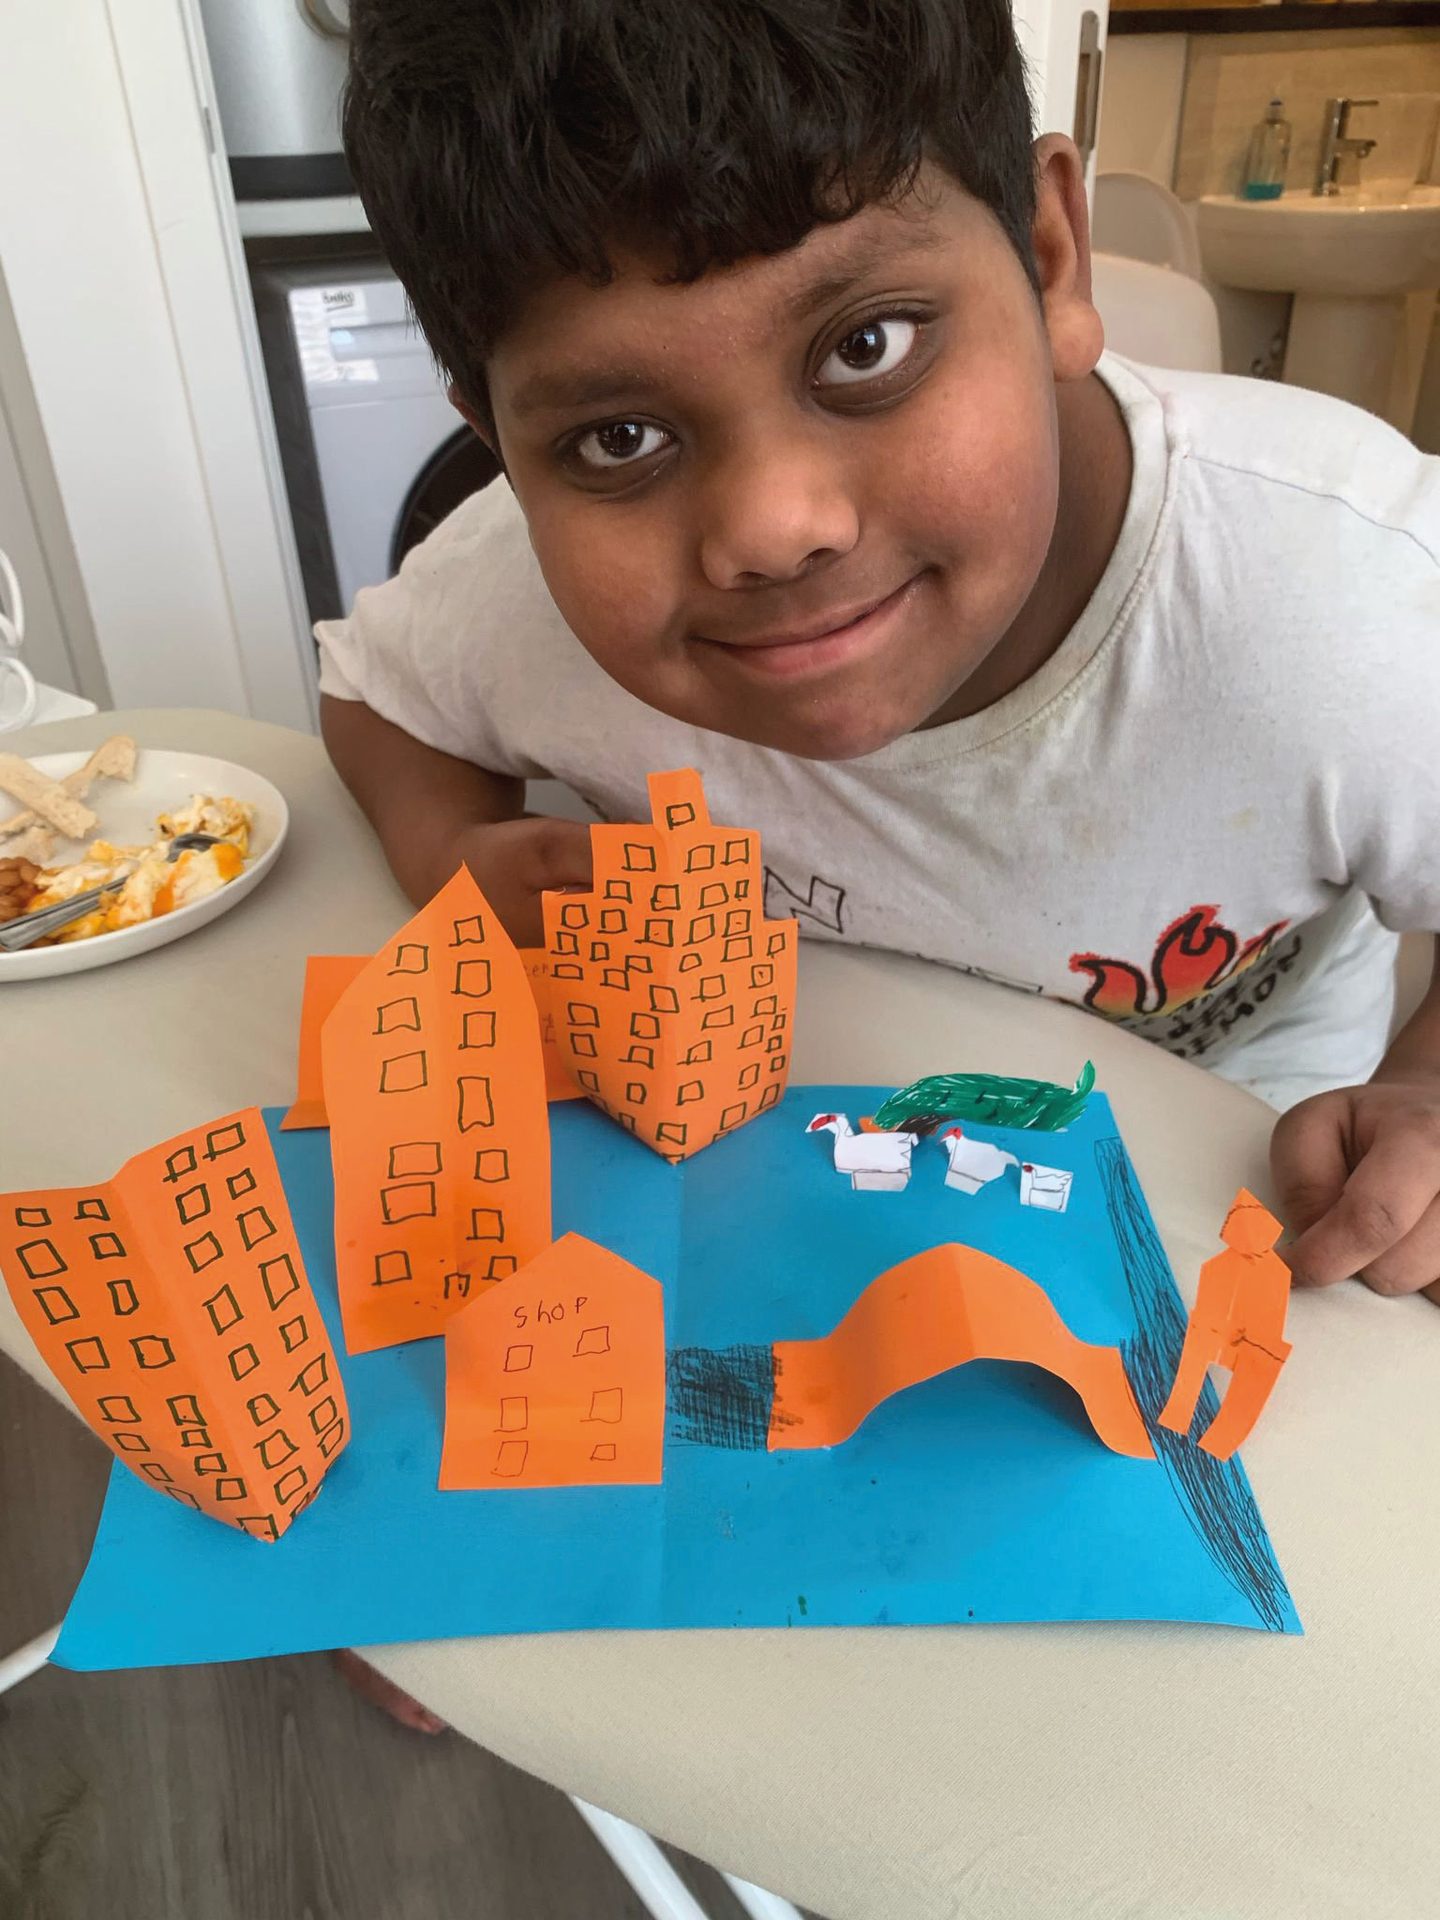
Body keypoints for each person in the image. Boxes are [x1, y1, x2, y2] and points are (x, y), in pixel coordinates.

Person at [319, 0, 1440, 1309]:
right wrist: (446, 846)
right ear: (503, 449)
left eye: (868, 346)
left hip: (1244, 1203)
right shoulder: (513, 590)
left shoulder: (1354, 594)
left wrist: (1420, 1094)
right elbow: (375, 695)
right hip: (793, 1195)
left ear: (1049, 255)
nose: (772, 530)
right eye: (617, 440)